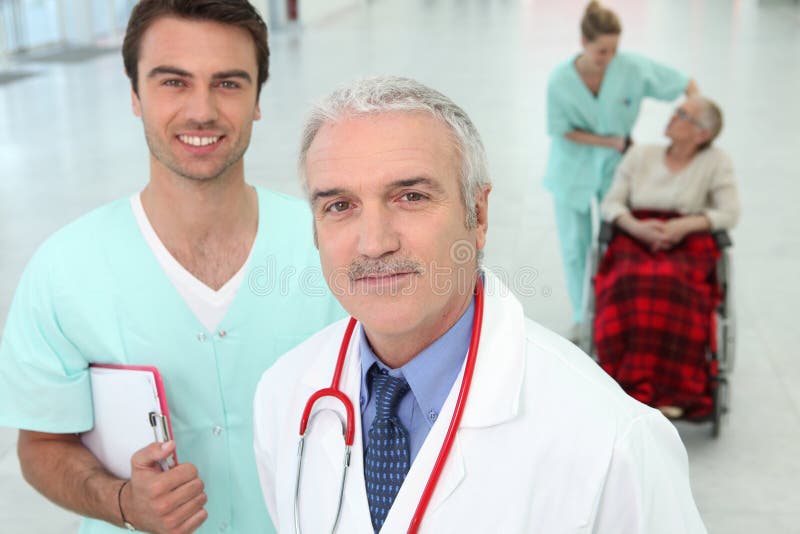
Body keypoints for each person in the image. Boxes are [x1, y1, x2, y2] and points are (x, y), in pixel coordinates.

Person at [253, 76, 707, 533]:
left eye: (411, 197)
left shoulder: (611, 440)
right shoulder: (284, 395)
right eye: (339, 205)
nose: (374, 243)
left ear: (479, 215)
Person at [0, 1, 342, 533]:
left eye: (228, 83)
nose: (201, 111)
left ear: (257, 99)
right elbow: (42, 445)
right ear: (135, 94)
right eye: (173, 82)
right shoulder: (64, 272)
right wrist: (120, 502)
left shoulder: (331, 250)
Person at [543, 0, 699, 338]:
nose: (608, 58)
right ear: (584, 43)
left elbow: (685, 84)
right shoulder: (559, 81)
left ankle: (612, 310)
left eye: (614, 50)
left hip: (617, 168)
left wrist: (694, 121)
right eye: (601, 51)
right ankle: (582, 315)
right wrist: (611, 141)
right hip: (573, 168)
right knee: (575, 245)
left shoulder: (631, 68)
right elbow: (562, 130)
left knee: (616, 239)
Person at [596, 96, 739, 420]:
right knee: (628, 282)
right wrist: (635, 226)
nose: (673, 117)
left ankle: (675, 389)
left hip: (688, 236)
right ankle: (627, 383)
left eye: (683, 115)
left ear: (702, 134)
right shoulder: (640, 154)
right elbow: (611, 203)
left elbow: (729, 212)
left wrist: (686, 225)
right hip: (636, 232)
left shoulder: (716, 162)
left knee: (675, 286)